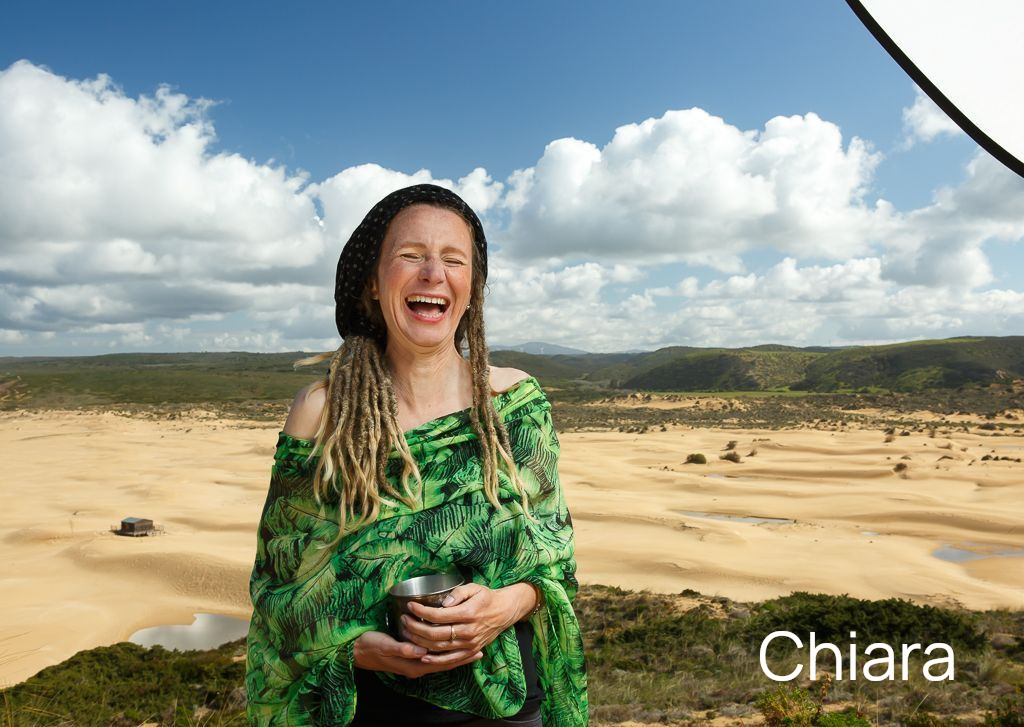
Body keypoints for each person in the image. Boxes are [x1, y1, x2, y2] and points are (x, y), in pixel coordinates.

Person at [245, 183, 588, 726]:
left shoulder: (517, 406)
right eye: (410, 256)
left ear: (471, 290)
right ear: (372, 285)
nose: (433, 273)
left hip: (509, 703)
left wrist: (507, 605)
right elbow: (278, 590)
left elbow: (556, 565)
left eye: (453, 260)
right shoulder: (322, 412)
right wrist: (354, 647)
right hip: (371, 708)